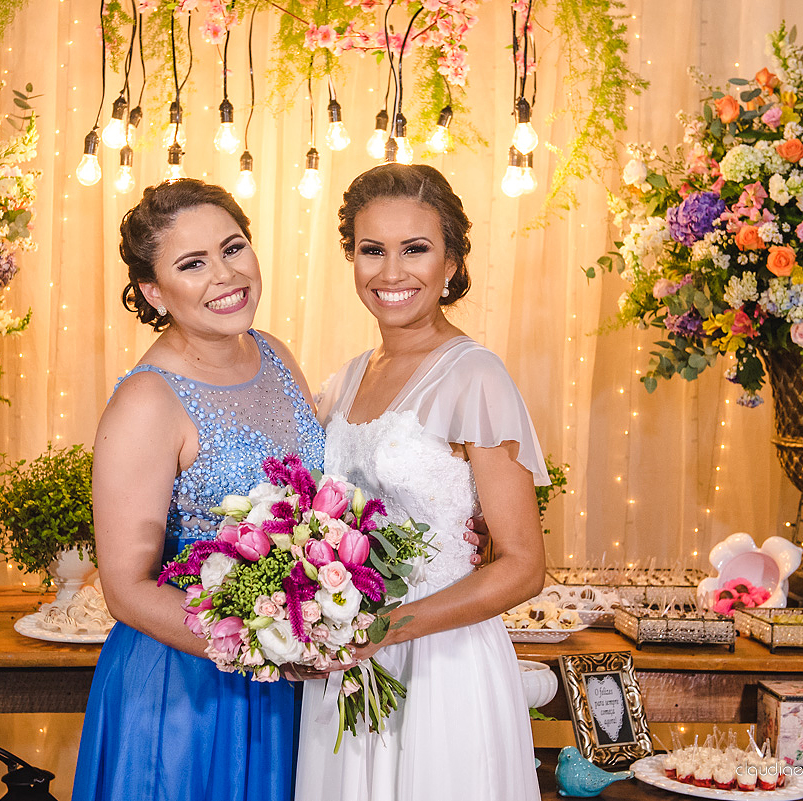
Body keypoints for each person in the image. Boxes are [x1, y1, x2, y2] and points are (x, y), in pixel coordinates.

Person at [295, 163, 548, 801]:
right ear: (350, 258)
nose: (391, 272)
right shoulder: (346, 379)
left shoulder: (476, 376)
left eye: (416, 249)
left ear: (453, 261)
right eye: (372, 250)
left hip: (442, 668)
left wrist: (382, 631)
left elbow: (522, 566)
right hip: (347, 668)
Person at [71, 179, 325, 801]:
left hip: (293, 680)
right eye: (192, 264)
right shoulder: (147, 400)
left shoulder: (275, 353)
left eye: (232, 248)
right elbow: (126, 591)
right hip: (186, 693)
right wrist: (259, 647)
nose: (224, 276)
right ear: (154, 292)